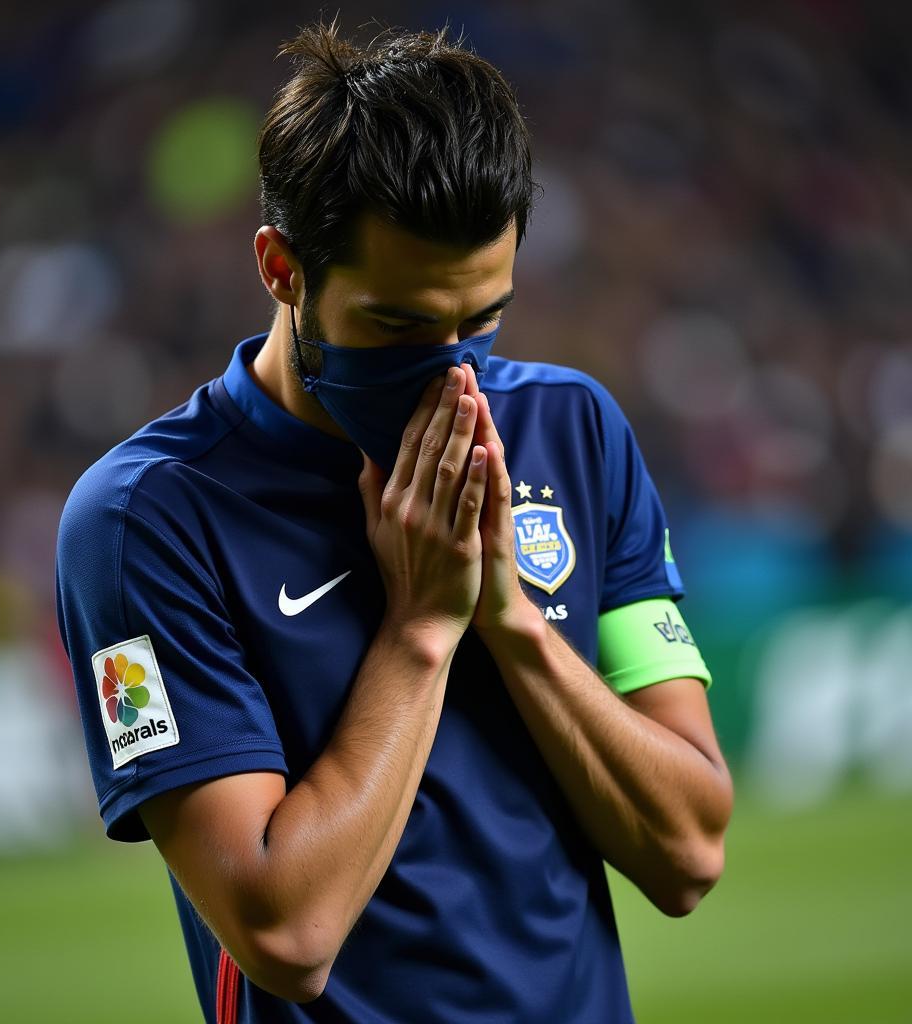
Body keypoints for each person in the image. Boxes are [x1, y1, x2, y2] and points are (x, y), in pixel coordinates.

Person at [56, 21, 733, 1024]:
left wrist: (509, 620)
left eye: (482, 319)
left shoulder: (573, 431)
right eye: (401, 326)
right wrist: (421, 627)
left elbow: (688, 849)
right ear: (282, 268)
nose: (456, 370)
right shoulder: (140, 522)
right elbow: (284, 934)